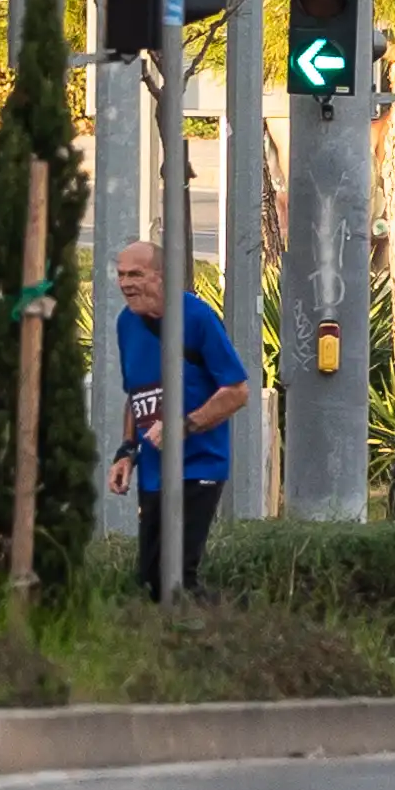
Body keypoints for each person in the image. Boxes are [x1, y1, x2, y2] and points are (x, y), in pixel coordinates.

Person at [105, 241, 252, 601]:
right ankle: (214, 629)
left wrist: (183, 427)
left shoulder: (197, 317)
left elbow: (237, 391)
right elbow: (135, 394)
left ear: (162, 276)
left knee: (176, 578)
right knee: (152, 580)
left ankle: (237, 628)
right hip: (154, 470)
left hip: (198, 466)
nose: (126, 284)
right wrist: (126, 452)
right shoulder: (126, 323)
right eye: (121, 275)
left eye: (136, 274)